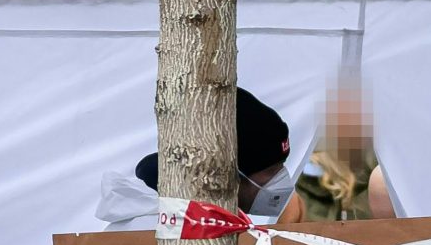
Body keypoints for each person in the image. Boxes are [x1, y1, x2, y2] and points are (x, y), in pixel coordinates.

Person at [94, 89, 300, 228]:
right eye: (270, 172)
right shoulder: (158, 228)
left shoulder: (207, 222)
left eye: (281, 168)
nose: (281, 179)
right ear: (225, 173)